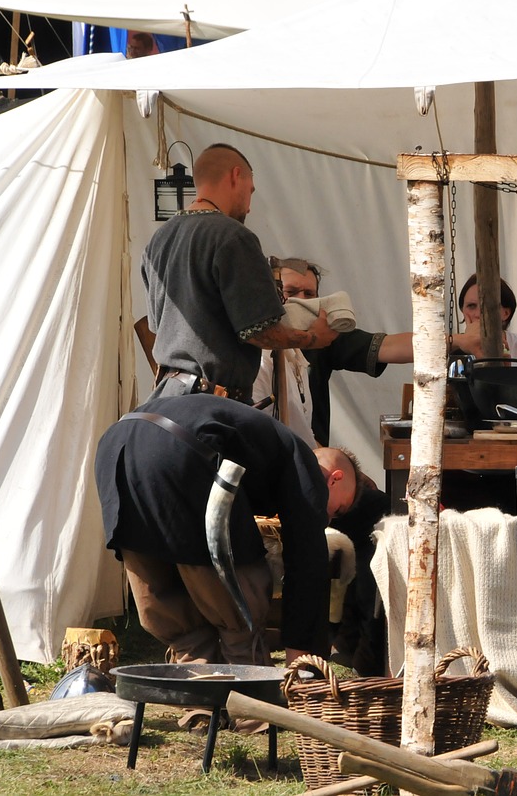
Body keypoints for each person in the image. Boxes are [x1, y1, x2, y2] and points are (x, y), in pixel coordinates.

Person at [95, 394, 361, 665]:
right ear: (334, 479)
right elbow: (306, 565)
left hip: (115, 447)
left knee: (163, 589)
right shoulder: (308, 466)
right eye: (338, 509)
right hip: (177, 448)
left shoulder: (274, 446)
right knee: (242, 596)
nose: (328, 519)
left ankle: (197, 695)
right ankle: (248, 694)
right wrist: (302, 653)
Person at [141, 143, 338, 404]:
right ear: (236, 176)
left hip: (167, 398)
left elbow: (156, 327)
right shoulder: (233, 236)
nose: (249, 207)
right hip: (212, 407)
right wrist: (313, 338)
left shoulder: (158, 240)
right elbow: (260, 332)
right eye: (251, 191)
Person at [254, 257, 486, 446]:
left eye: (309, 295)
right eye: (292, 292)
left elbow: (391, 346)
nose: (301, 301)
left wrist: (458, 340)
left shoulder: (325, 337)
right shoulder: (257, 349)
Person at [458, 274, 517, 364]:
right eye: (471, 306)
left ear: (506, 313)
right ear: (463, 311)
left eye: (488, 306)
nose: (478, 314)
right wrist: (458, 341)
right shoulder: (451, 347)